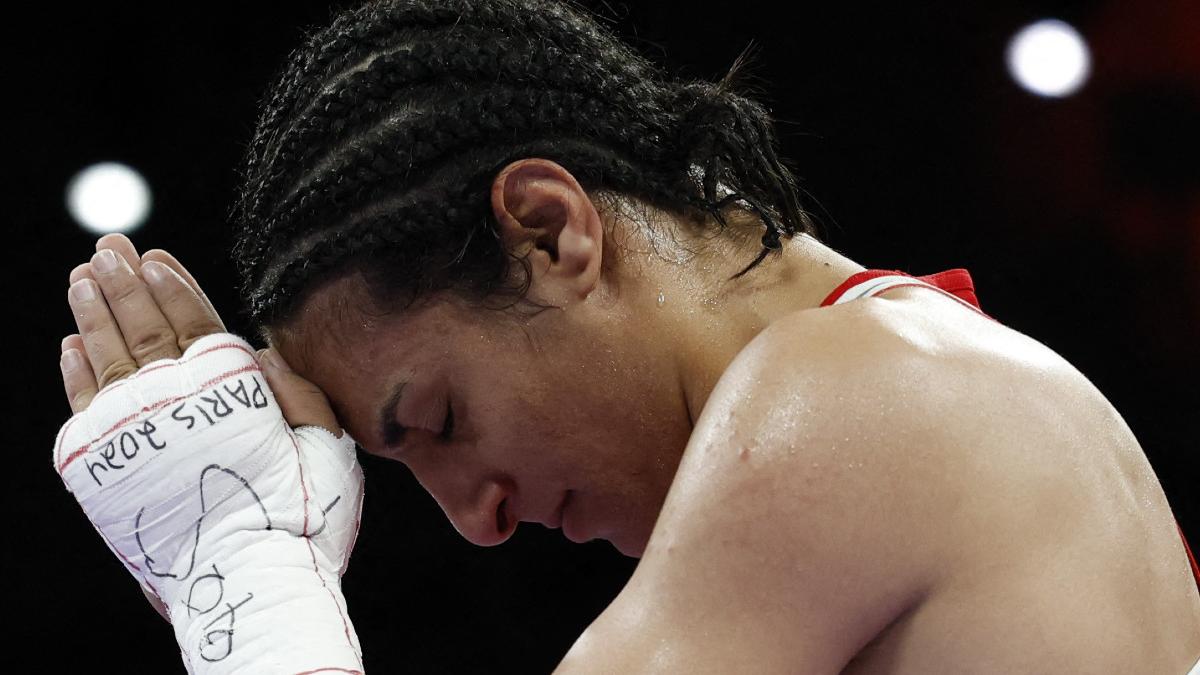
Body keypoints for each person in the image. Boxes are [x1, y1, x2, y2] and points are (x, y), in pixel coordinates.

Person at [54, 0, 1200, 672]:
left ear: (550, 232)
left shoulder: (850, 399)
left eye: (440, 423)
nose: (478, 523)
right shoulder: (934, 368)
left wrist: (249, 585)